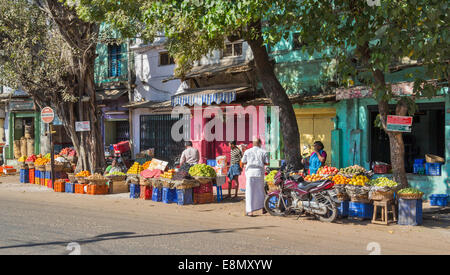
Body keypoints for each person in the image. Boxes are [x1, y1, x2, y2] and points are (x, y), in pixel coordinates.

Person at [240, 137, 269, 217]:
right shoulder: (264, 152)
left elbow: (242, 162)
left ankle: (250, 212)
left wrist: (244, 166)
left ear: (253, 144)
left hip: (250, 173)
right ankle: (263, 208)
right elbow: (267, 163)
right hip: (259, 173)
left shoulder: (247, 151)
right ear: (260, 143)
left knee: (250, 192)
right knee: (261, 191)